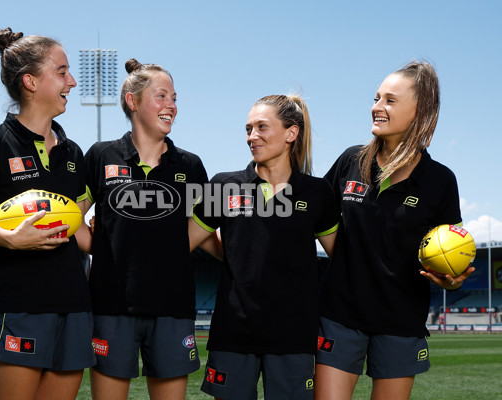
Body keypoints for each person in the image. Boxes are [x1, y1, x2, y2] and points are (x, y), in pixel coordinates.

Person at [0, 27, 94, 400]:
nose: (71, 81)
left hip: (74, 307)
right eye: (61, 72)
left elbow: (80, 226)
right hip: (18, 306)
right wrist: (10, 237)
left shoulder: (73, 153)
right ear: (30, 81)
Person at [314, 61, 475, 400]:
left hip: (401, 320)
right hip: (339, 314)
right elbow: (313, 216)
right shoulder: (351, 160)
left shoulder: (441, 181)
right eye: (376, 98)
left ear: (420, 111)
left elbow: (455, 249)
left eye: (389, 100)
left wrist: (453, 278)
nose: (376, 107)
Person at [189, 94, 339, 399]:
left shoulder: (316, 192)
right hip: (233, 334)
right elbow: (187, 239)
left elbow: (342, 256)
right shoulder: (223, 185)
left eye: (261, 127)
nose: (251, 137)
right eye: (248, 129)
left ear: (290, 133)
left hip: (293, 336)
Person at [82, 58, 208, 400]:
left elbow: (208, 229)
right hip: (111, 306)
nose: (171, 106)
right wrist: (100, 245)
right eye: (161, 96)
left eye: (174, 98)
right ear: (132, 101)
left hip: (173, 306)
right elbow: (69, 218)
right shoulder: (100, 155)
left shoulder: (191, 165)